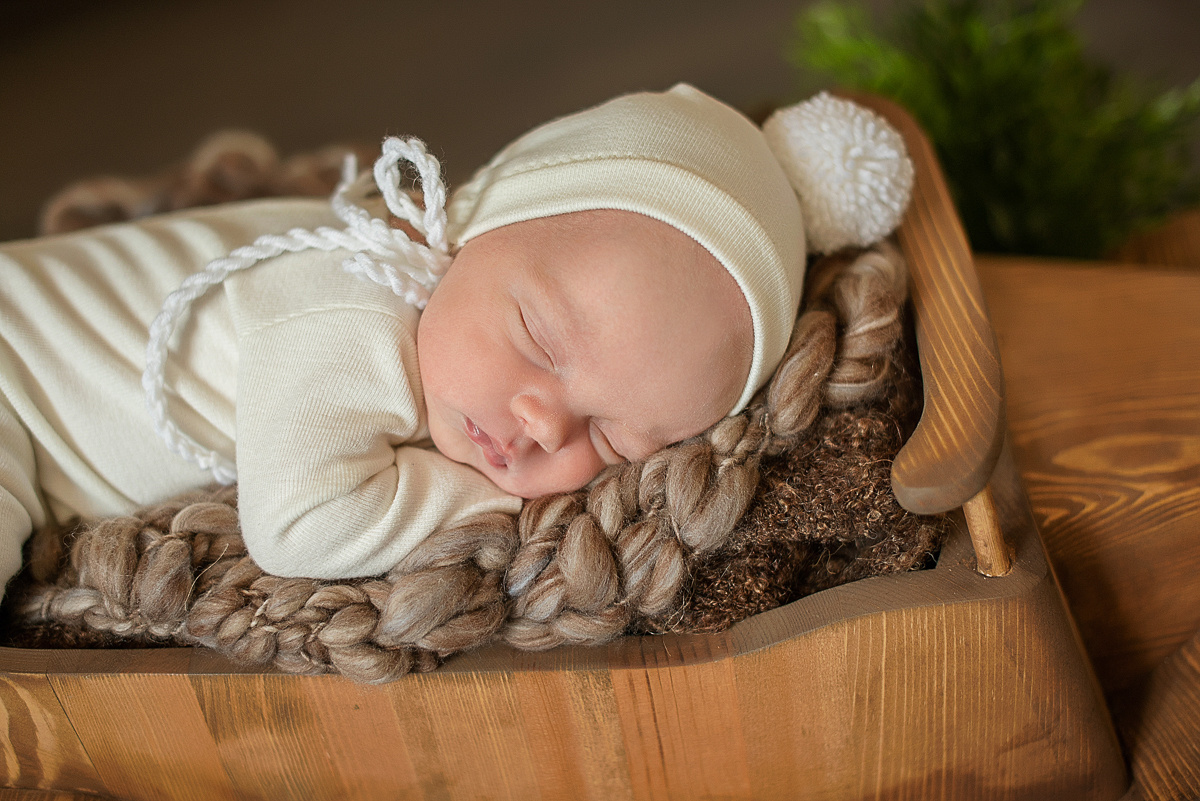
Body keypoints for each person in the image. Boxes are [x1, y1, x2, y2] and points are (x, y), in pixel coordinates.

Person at [0, 84, 875, 604]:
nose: (542, 422)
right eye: (536, 334)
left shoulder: (446, 319)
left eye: (613, 441)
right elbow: (300, 524)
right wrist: (498, 507)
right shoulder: (351, 310)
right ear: (468, 221)